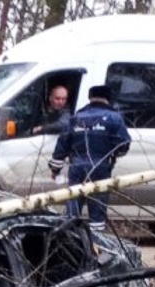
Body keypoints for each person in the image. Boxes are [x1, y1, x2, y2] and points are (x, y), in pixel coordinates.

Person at [48, 84, 131, 232]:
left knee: (73, 206)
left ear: (90, 97)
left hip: (77, 167)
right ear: (108, 98)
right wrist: (112, 154)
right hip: (101, 167)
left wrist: (55, 169)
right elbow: (123, 145)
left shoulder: (76, 118)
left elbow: (62, 146)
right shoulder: (114, 118)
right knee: (98, 208)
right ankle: (95, 243)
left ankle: (69, 240)